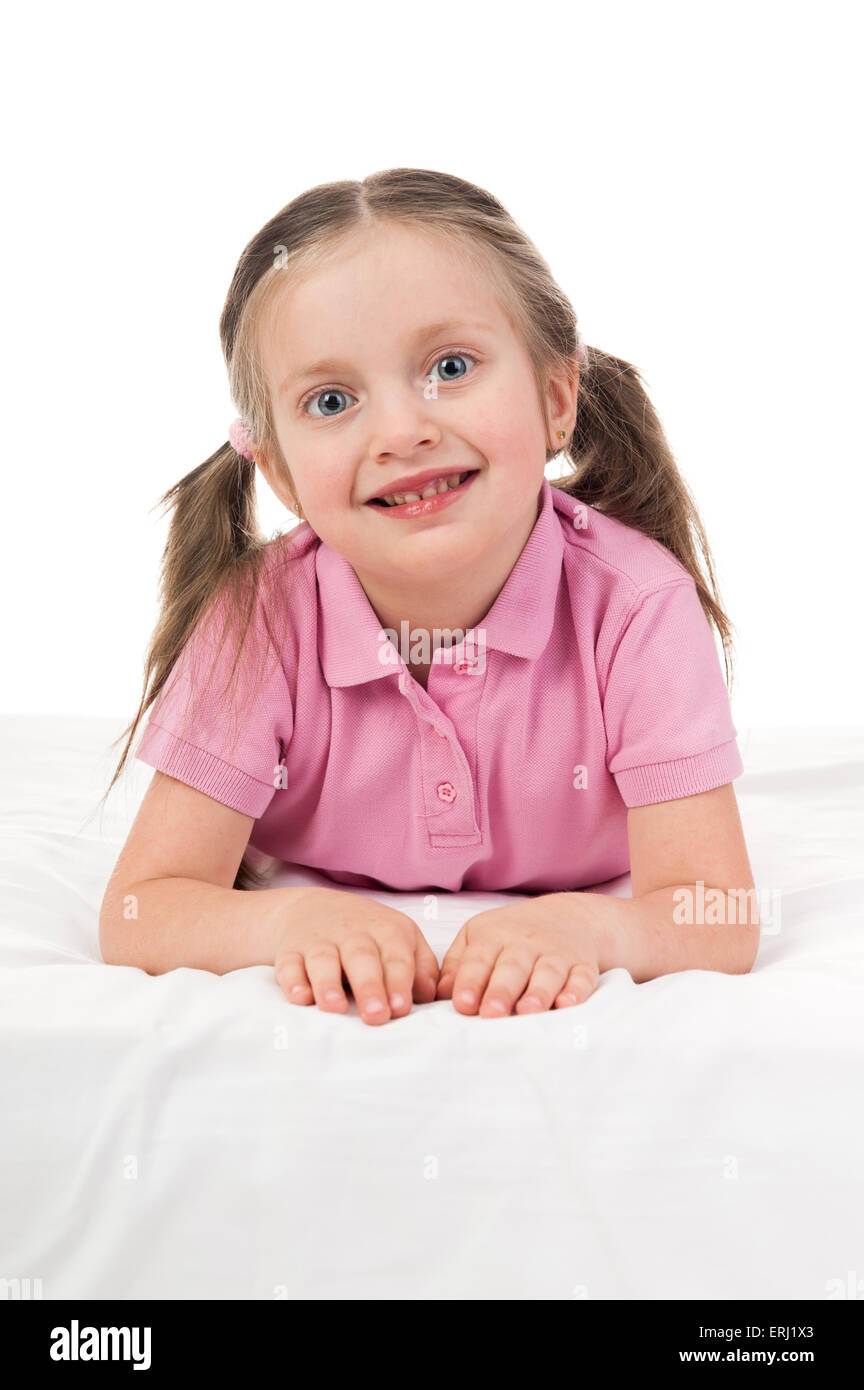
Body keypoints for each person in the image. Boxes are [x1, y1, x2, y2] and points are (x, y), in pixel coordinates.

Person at [98, 167, 759, 1025]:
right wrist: (293, 918)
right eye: (331, 400)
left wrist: (593, 928)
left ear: (558, 398)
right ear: (282, 472)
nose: (403, 431)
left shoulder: (638, 610)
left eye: (450, 365)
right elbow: (142, 908)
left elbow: (721, 914)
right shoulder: (259, 617)